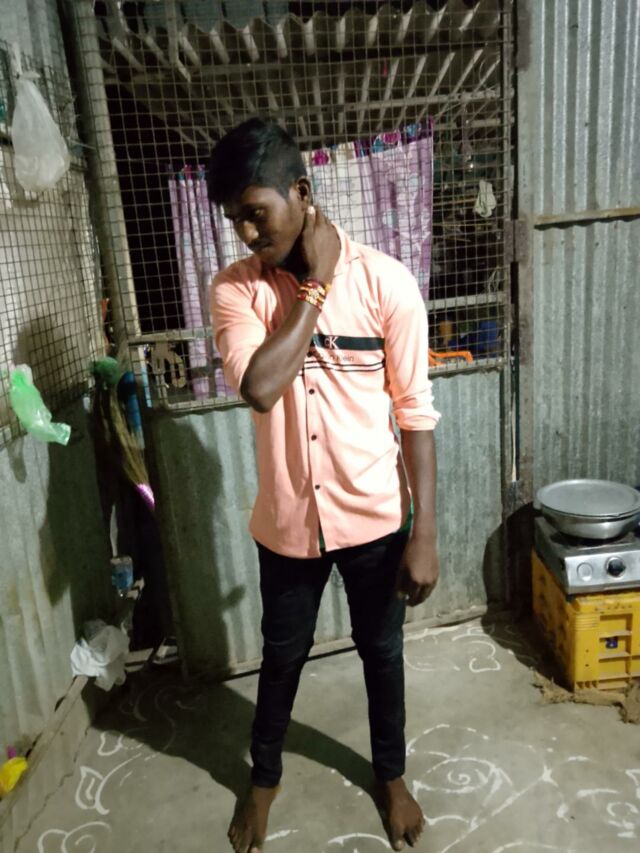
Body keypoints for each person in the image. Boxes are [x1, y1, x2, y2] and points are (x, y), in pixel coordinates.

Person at [209, 117, 440, 853]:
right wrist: (314, 286)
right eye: (235, 219)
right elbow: (261, 387)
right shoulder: (236, 291)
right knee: (282, 657)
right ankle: (263, 782)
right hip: (287, 525)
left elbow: (414, 413)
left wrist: (425, 534)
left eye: (257, 211)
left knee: (382, 653)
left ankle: (391, 776)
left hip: (375, 519)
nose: (248, 232)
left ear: (301, 193)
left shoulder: (386, 282)